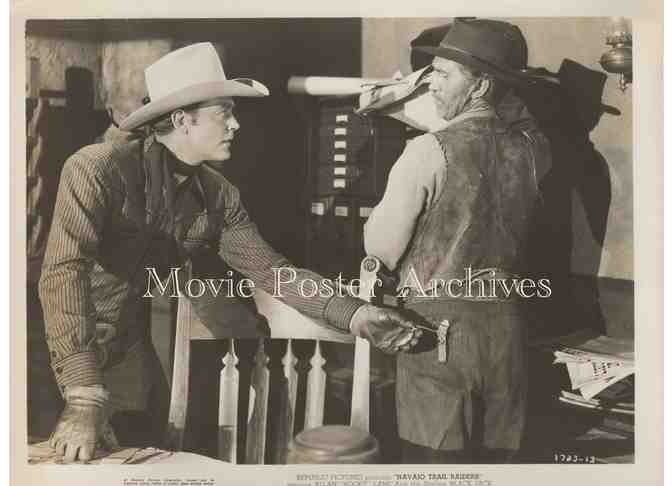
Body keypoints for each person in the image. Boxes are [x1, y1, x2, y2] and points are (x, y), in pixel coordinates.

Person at [38, 42, 420, 462]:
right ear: (183, 120)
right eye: (224, 113)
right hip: (59, 349)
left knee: (138, 459)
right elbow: (64, 272)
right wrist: (83, 396)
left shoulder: (218, 195)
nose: (236, 124)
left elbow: (273, 272)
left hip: (128, 354)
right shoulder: (95, 169)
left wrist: (357, 313)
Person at [363, 19, 551, 463]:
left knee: (435, 476)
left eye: (444, 75)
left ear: (481, 85)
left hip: (437, 337)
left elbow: (381, 248)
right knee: (497, 475)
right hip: (508, 336)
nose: (432, 85)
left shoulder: (427, 150)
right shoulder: (536, 150)